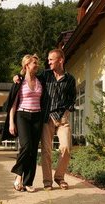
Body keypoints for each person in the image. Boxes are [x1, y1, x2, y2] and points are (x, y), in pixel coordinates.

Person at [14, 49, 76, 190]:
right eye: (48, 60)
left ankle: (59, 177)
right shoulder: (45, 75)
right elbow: (29, 76)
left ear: (60, 60)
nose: (48, 62)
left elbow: (72, 99)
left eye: (51, 60)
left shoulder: (70, 79)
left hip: (62, 119)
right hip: (47, 117)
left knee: (66, 147)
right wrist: (17, 76)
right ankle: (47, 182)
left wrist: (67, 110)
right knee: (46, 151)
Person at [2, 54, 43, 193]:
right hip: (22, 115)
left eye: (37, 63)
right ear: (26, 65)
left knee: (33, 151)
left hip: (37, 116)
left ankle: (28, 182)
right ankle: (19, 175)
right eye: (34, 63)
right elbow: (13, 104)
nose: (37, 65)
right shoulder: (19, 82)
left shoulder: (40, 80)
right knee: (26, 146)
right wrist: (11, 123)